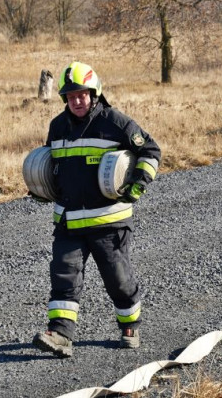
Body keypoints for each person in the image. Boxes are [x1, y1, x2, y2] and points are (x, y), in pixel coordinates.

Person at [30, 61, 161, 358]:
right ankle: (61, 334)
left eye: (82, 95)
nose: (77, 101)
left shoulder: (115, 123)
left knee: (119, 278)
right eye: (71, 96)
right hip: (69, 220)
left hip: (109, 222)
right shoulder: (57, 127)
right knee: (64, 277)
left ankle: (130, 326)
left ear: (94, 93)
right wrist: (42, 188)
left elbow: (151, 152)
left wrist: (138, 185)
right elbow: (52, 166)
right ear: (65, 98)